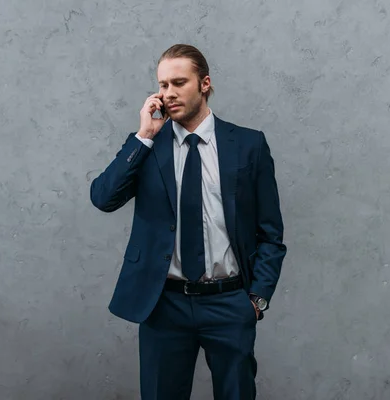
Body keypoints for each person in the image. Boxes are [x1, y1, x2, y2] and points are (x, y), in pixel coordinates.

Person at [90, 43, 287, 400]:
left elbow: (271, 232)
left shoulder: (248, 145)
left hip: (229, 302)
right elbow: (103, 198)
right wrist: (144, 136)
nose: (168, 94)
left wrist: (257, 299)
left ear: (205, 84)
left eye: (178, 82)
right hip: (164, 304)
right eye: (162, 85)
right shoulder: (147, 148)